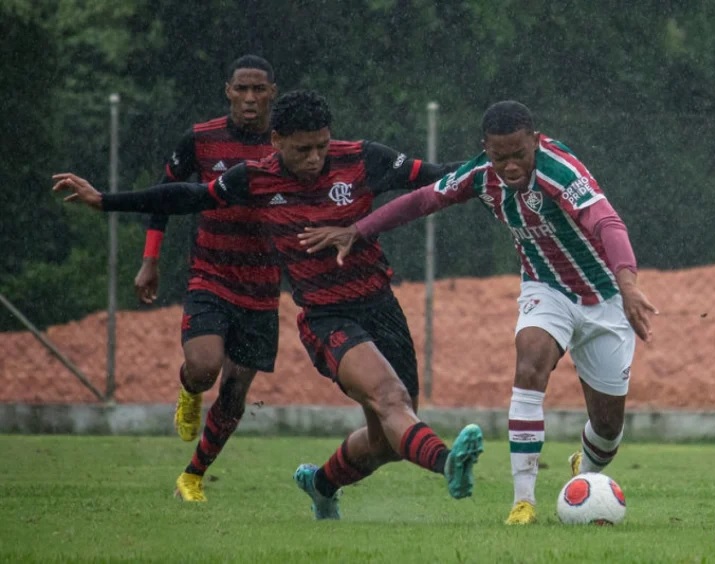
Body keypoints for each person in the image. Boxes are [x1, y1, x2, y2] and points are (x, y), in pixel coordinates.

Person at [52, 89, 484, 519]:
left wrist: (498, 166)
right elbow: (186, 197)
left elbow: (437, 177)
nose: (315, 158)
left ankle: (321, 485)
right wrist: (106, 200)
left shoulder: (362, 158)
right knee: (390, 397)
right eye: (302, 150)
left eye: (321, 146)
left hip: (381, 307)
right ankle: (450, 464)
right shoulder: (254, 178)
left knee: (388, 441)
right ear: (276, 141)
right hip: (327, 317)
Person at [297, 100, 658, 525]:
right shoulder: (481, 176)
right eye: (498, 155)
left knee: (608, 428)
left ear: (535, 142)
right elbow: (421, 201)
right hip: (547, 290)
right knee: (530, 362)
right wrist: (358, 231)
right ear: (485, 148)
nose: (509, 166)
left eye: (518, 154)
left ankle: (586, 479)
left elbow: (606, 223)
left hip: (605, 302)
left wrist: (628, 284)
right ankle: (523, 501)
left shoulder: (560, 172)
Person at [137, 54, 279, 501]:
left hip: (262, 287)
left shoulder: (287, 145)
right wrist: (150, 260)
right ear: (229, 91)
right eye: (243, 89)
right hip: (211, 276)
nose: (251, 98)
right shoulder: (201, 140)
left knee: (236, 393)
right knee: (203, 368)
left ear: (272, 93)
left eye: (259, 89)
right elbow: (164, 195)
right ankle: (189, 390)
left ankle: (192, 476)